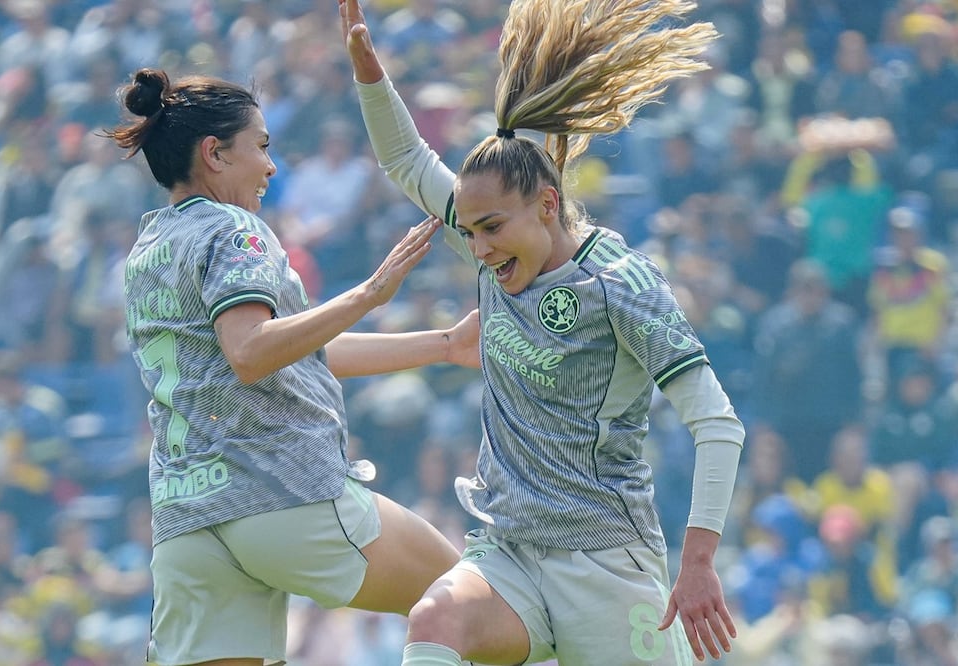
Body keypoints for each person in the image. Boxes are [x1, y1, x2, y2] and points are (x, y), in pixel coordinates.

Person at [340, 0, 747, 664]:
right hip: (508, 553)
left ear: (547, 206)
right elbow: (407, 163)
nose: (477, 249)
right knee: (434, 619)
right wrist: (368, 73)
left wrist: (698, 559)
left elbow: (716, 422)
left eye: (491, 229)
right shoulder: (494, 242)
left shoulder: (620, 282)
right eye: (467, 233)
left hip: (605, 564)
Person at [103, 66, 481, 666]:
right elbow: (252, 351)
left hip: (189, 517)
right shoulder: (236, 230)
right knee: (475, 607)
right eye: (261, 146)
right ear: (214, 155)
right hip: (283, 495)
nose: (272, 166)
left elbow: (296, 353)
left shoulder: (149, 246)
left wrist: (443, 345)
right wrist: (369, 293)